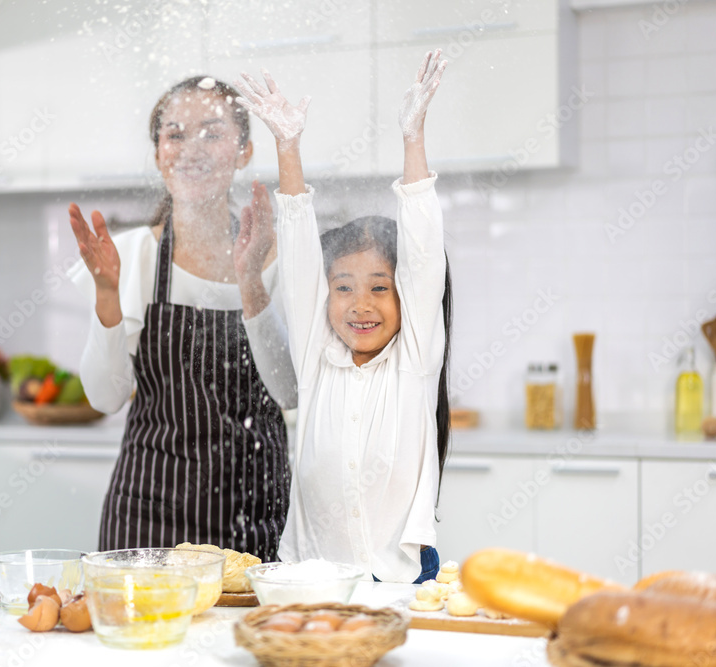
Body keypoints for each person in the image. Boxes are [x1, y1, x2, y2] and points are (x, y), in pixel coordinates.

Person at [236, 49, 452, 583]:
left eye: (381, 287)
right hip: (313, 573)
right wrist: (287, 146)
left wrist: (413, 138)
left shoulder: (415, 360)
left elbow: (423, 255)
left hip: (399, 576)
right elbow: (301, 252)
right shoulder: (318, 357)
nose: (361, 303)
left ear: (405, 297)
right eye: (344, 288)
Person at [67, 76, 295, 561]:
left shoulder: (279, 258)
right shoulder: (130, 258)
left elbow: (290, 390)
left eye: (213, 133)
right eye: (175, 134)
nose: (192, 149)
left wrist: (251, 278)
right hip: (150, 515)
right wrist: (107, 293)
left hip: (257, 515)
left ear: (245, 151)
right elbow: (106, 399)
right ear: (158, 155)